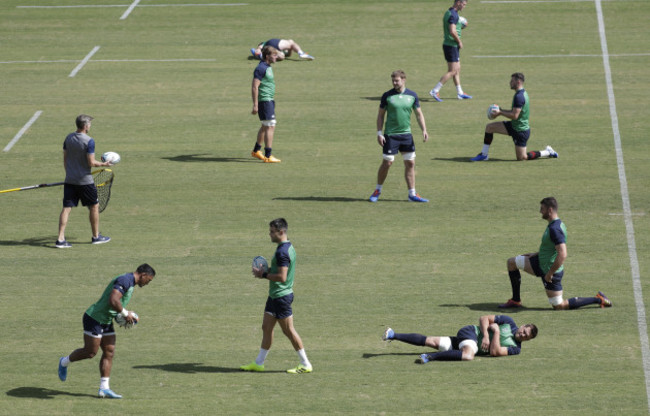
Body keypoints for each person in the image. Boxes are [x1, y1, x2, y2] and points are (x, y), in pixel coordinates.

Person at [58, 263, 156, 399]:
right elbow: (113, 300)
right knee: (90, 352)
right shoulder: (125, 280)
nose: (147, 283)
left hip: (106, 320)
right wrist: (125, 313)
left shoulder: (130, 283)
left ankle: (104, 388)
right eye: (148, 280)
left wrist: (122, 315)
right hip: (94, 318)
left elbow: (115, 304)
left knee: (109, 352)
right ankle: (64, 362)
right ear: (143, 275)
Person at [499, 197, 612, 310]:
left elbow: (562, 254)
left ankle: (598, 299)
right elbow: (551, 246)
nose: (540, 211)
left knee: (559, 306)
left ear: (550, 210)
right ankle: (515, 300)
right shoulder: (554, 224)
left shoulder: (555, 229)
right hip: (539, 262)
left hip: (550, 270)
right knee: (512, 262)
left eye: (542, 209)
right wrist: (537, 253)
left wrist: (550, 273)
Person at [241, 218, 313, 374]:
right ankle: (259, 363)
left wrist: (264, 274)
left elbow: (282, 277)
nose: (270, 234)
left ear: (281, 232)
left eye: (272, 232)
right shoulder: (286, 247)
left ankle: (305, 363)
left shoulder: (282, 252)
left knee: (288, 331)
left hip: (282, 297)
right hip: (274, 296)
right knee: (266, 328)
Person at [369, 70, 429, 203]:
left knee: (410, 163)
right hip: (391, 135)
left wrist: (424, 130)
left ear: (404, 80)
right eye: (393, 81)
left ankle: (412, 194)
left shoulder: (412, 96)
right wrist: (379, 133)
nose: (394, 83)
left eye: (397, 80)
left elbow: (419, 114)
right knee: (388, 162)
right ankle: (377, 190)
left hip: (406, 135)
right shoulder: (387, 96)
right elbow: (380, 115)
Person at [470, 73, 558, 161]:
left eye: (512, 81)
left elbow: (514, 116)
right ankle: (484, 154)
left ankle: (547, 152)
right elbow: (514, 112)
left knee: (522, 158)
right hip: (514, 126)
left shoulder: (519, 97)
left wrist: (500, 112)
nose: (510, 83)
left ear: (518, 82)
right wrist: (501, 110)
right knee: (489, 127)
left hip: (521, 131)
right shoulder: (520, 94)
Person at [56, 114, 113, 248]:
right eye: (90, 124)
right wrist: (104, 165)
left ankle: (60, 239)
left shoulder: (68, 137)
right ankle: (96, 236)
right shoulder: (89, 141)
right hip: (85, 181)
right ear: (86, 126)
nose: (90, 126)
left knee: (66, 208)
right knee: (94, 206)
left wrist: (70, 173)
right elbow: (91, 162)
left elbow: (65, 158)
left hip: (70, 179)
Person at [382, 315, 537, 364]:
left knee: (432, 341)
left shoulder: (516, 349)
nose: (522, 334)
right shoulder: (509, 322)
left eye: (526, 336)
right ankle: (430, 357)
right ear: (523, 325)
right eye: (524, 331)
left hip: (466, 344)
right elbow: (484, 318)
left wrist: (495, 332)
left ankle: (393, 335)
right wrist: (485, 335)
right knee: (469, 355)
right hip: (470, 333)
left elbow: (495, 352)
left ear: (527, 340)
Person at [429, 0, 472, 102]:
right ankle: (435, 90)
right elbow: (452, 31)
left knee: (457, 69)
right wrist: (459, 41)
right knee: (452, 71)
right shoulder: (453, 15)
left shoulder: (450, 12)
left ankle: (460, 93)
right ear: (458, 2)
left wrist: (460, 26)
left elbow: (453, 28)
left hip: (451, 46)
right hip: (451, 46)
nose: (464, 7)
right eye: (464, 4)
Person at [250, 45, 282, 163]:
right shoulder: (261, 68)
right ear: (267, 56)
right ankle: (268, 156)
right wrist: (255, 104)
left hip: (269, 100)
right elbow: (254, 86)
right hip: (265, 100)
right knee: (270, 126)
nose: (276, 57)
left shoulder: (267, 65)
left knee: (265, 126)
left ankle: (256, 151)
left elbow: (282, 56)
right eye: (274, 55)